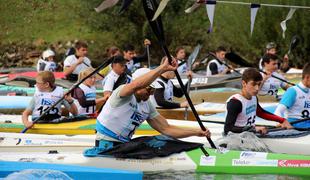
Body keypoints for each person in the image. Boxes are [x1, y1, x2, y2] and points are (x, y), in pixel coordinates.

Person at [86, 57, 211, 154]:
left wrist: (196, 132)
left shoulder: (147, 105)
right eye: (149, 89)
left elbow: (166, 129)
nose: (150, 93)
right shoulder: (122, 92)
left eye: (153, 90)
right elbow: (136, 85)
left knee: (162, 140)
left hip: (124, 145)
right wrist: (162, 68)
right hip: (106, 146)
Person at [224, 68, 292, 135]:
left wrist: (282, 120)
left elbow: (261, 113)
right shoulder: (235, 102)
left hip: (248, 135)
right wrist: (253, 129)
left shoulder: (253, 97)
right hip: (235, 139)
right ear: (244, 83)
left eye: (259, 84)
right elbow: (228, 129)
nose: (257, 88)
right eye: (253, 84)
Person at [274, 63, 310, 129]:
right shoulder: (293, 91)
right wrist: (280, 123)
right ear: (307, 77)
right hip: (296, 125)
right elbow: (278, 111)